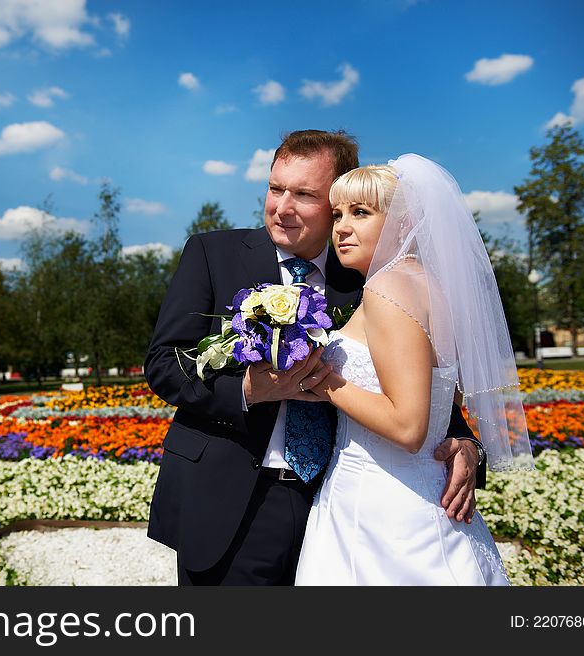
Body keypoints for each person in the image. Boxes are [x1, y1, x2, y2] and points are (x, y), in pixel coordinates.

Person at [144, 131, 484, 585]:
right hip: (232, 503)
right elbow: (165, 363)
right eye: (275, 188)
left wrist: (465, 444)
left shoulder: (368, 275)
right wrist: (246, 391)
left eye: (304, 194)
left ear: (337, 198)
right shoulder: (212, 254)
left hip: (333, 500)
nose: (282, 207)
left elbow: (413, 375)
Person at [294, 156, 535, 585]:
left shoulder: (387, 288)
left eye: (361, 213)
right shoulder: (432, 287)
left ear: (405, 225)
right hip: (425, 496)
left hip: (380, 511)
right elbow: (445, 399)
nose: (341, 228)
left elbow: (409, 428)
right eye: (337, 214)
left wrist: (321, 379)